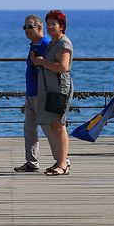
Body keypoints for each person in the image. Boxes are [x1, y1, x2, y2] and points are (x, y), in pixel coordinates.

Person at [30, 9, 73, 175]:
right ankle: (60, 162)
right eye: (48, 24)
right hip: (50, 89)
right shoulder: (52, 43)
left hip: (60, 89)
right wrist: (39, 62)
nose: (49, 27)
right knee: (55, 125)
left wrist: (42, 62)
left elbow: (63, 67)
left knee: (59, 125)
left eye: (53, 24)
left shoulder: (64, 44)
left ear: (61, 26)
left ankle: (63, 165)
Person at [14, 14, 55, 173]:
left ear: (40, 28)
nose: (26, 30)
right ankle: (32, 162)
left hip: (41, 93)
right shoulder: (34, 45)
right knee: (29, 128)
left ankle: (62, 160)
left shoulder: (46, 44)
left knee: (48, 127)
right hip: (31, 93)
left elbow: (52, 67)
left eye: (30, 27)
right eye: (25, 27)